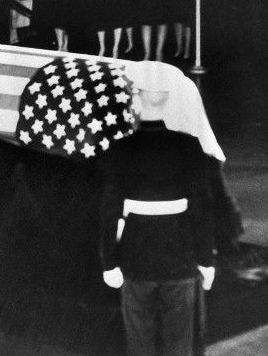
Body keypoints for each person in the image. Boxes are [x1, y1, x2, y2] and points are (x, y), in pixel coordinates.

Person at [99, 61, 216, 356]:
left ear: (136, 99)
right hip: (180, 255)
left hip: (135, 257)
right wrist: (206, 258)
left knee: (139, 343)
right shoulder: (190, 146)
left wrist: (109, 262)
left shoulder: (119, 148)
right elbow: (203, 207)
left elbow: (109, 211)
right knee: (180, 345)